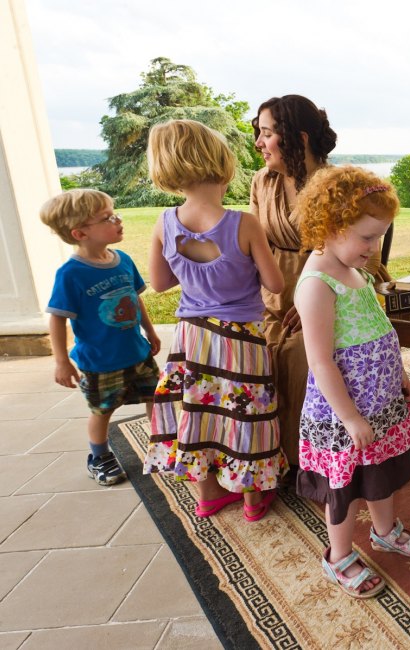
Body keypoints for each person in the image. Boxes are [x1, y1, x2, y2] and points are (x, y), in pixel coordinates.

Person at [295, 166, 410, 599]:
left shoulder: (356, 270)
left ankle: (383, 531)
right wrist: (351, 417)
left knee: (381, 475)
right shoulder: (316, 285)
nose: (374, 246)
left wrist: (401, 381)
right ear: (331, 226)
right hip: (345, 415)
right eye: (366, 237)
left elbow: (378, 333)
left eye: (380, 236)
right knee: (345, 489)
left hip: (381, 402)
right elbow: (321, 362)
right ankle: (338, 556)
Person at [142, 119, 287, 522]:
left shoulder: (164, 223)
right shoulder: (243, 223)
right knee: (247, 413)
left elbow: (158, 282)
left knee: (197, 412)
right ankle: (252, 501)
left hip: (191, 338)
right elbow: (274, 282)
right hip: (240, 340)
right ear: (220, 161)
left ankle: (207, 496)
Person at [250, 95, 390, 468]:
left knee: (304, 357)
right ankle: (265, 459)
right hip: (273, 294)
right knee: (247, 353)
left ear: (299, 138)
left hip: (326, 289)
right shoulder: (261, 183)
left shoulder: (338, 185)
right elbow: (255, 247)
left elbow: (368, 257)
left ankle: (317, 460)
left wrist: (308, 297)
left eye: (267, 134)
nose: (259, 143)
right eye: (259, 133)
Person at [41, 189, 161, 486]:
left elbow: (135, 297)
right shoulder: (71, 274)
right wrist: (61, 361)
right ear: (80, 232)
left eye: (115, 213)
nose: (118, 220)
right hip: (100, 362)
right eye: (108, 218)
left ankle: (161, 441)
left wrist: (150, 330)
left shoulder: (122, 260)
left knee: (155, 398)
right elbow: (57, 317)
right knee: (102, 410)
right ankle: (99, 455)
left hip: (137, 351)